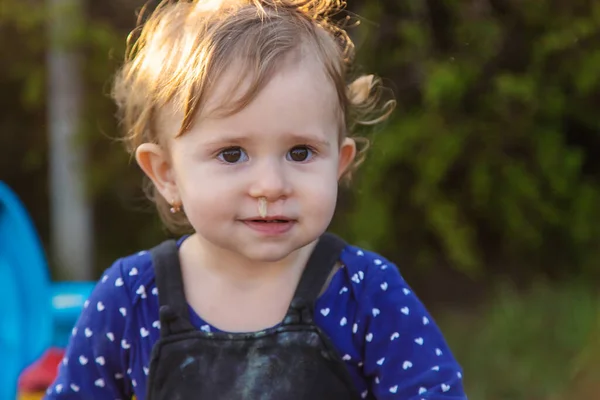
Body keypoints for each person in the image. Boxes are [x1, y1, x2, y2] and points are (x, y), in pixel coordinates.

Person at [44, 0, 467, 398]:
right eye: (232, 154)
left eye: (300, 152)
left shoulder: (365, 294)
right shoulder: (131, 298)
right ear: (167, 174)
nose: (270, 185)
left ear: (339, 164)